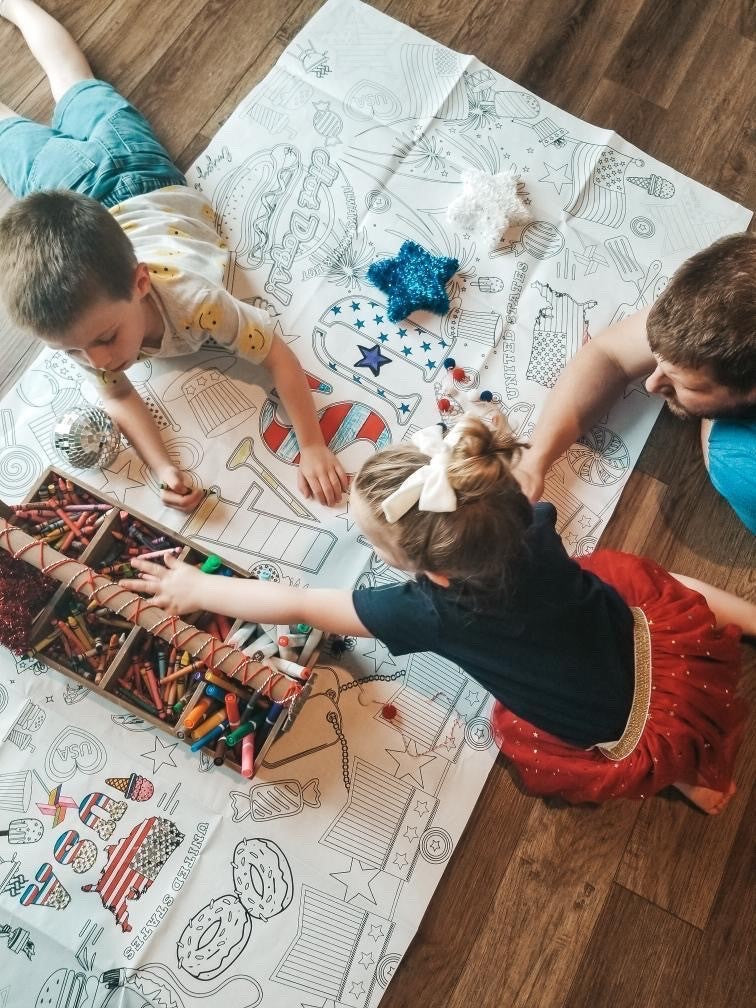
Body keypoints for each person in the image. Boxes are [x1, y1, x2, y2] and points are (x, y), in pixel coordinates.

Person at [121, 413, 753, 814]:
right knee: (645, 580)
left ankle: (689, 779)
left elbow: (298, 603)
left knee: (601, 735)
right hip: (647, 648)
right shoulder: (529, 521)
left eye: (375, 544)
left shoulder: (428, 613)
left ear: (433, 571)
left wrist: (196, 590)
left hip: (605, 720)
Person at [0, 0, 348, 510]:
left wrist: (312, 445)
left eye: (104, 340)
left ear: (141, 283)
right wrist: (163, 467)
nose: (98, 360)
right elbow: (117, 394)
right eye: (73, 353)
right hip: (73, 194)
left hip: (133, 164)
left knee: (70, 80)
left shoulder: (196, 301)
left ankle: (21, 9)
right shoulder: (80, 328)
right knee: (55, 95)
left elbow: (277, 354)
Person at [513, 233, 756, 533]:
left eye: (688, 385)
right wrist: (533, 459)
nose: (651, 385)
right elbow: (609, 354)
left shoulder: (738, 463)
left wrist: (711, 423)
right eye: (657, 360)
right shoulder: (741, 284)